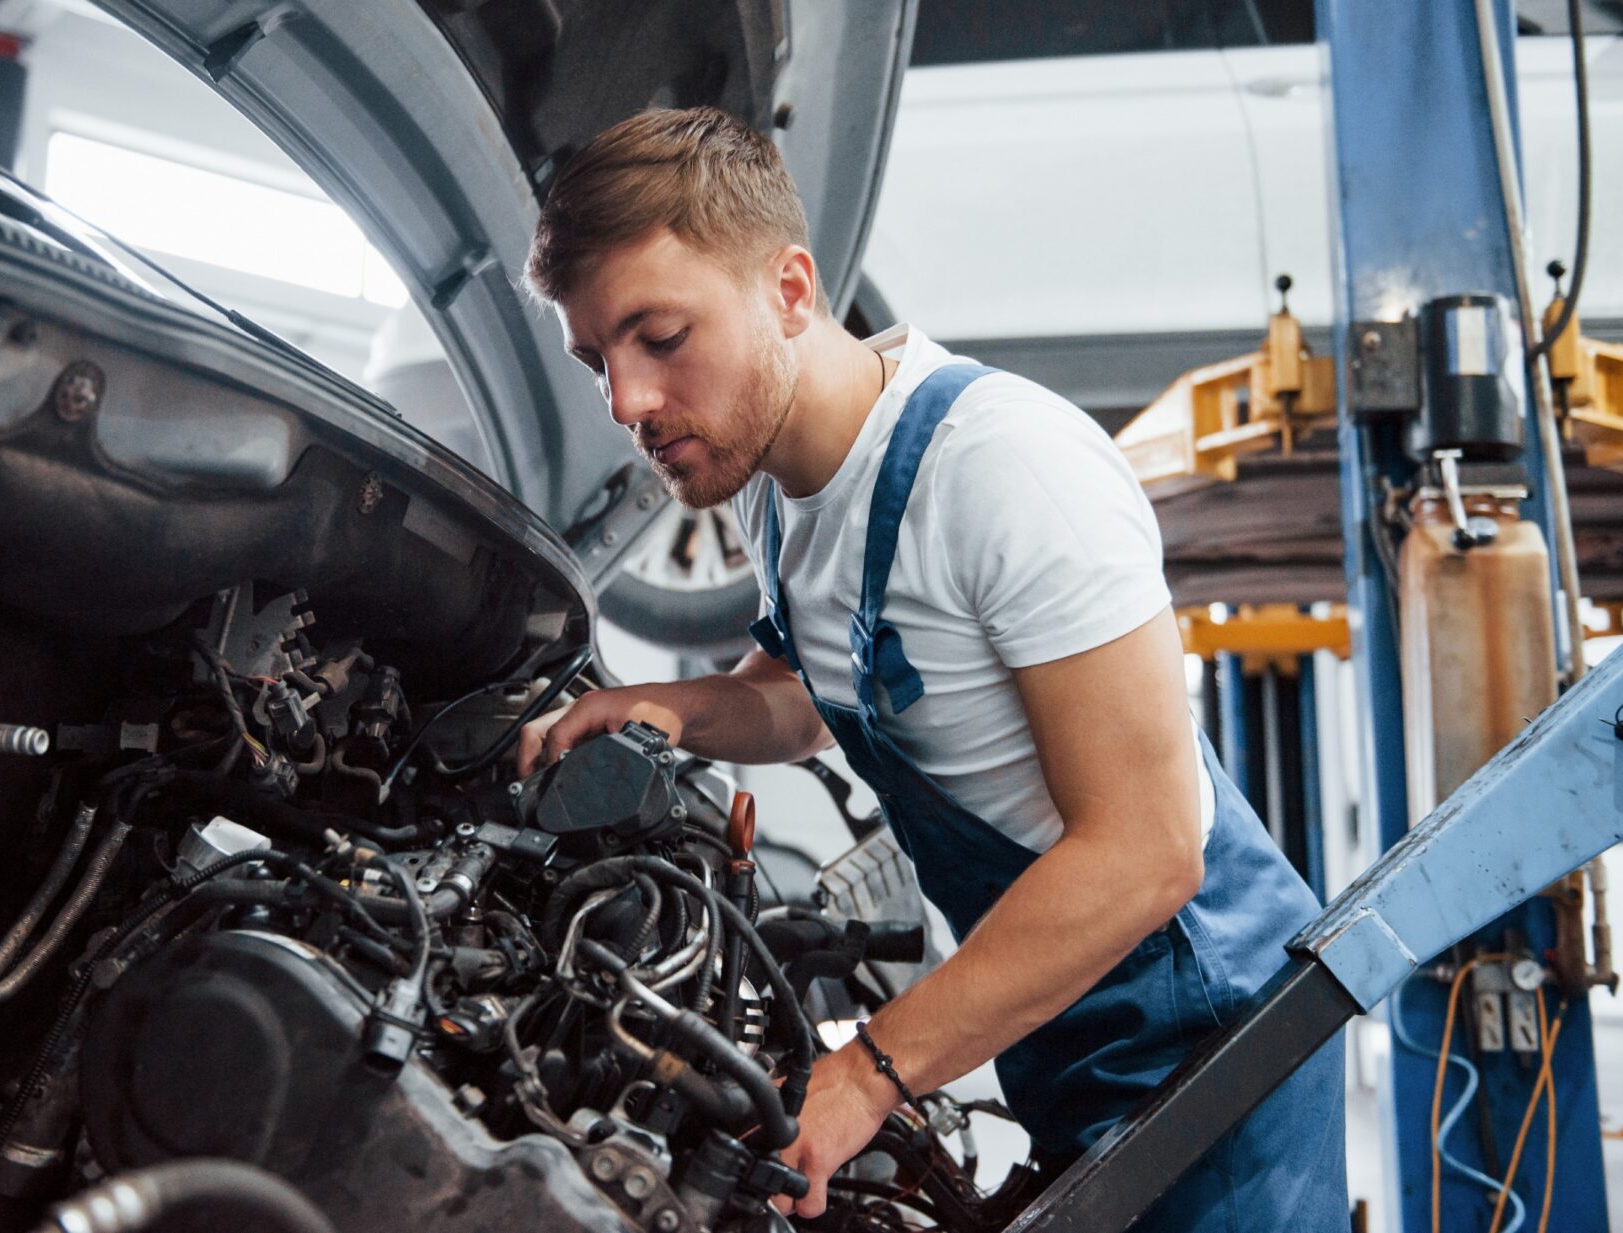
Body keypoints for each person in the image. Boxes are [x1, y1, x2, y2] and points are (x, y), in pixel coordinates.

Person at [514, 106, 1346, 1230]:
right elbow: (813, 695)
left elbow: (1149, 852)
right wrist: (662, 708)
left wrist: (869, 1073)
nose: (629, 404)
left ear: (792, 291)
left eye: (660, 338)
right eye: (595, 359)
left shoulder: (1002, 469)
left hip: (1212, 1047)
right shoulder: (781, 494)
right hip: (1062, 1035)